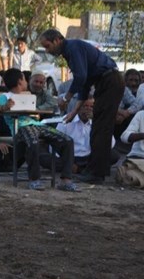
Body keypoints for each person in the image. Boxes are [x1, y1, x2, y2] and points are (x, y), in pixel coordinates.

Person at [40, 29, 124, 185]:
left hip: (110, 81)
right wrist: (74, 111)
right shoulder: (70, 52)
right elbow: (84, 85)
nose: (47, 50)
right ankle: (96, 170)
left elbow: (81, 77)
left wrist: (66, 97)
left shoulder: (73, 47)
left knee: (101, 129)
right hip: (105, 83)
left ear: (58, 40)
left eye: (48, 46)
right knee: (99, 129)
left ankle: (96, 174)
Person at [0, 68, 77, 191]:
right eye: (25, 79)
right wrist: (4, 107)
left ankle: (66, 179)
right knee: (33, 142)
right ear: (20, 81)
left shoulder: (28, 96)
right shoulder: (5, 96)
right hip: (20, 127)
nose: (27, 82)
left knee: (67, 140)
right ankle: (34, 179)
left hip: (37, 125)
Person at [115, 69, 142, 141]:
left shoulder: (140, 92)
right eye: (131, 80)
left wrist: (124, 114)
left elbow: (137, 105)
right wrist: (120, 112)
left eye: (136, 80)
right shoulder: (122, 89)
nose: (133, 83)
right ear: (125, 80)